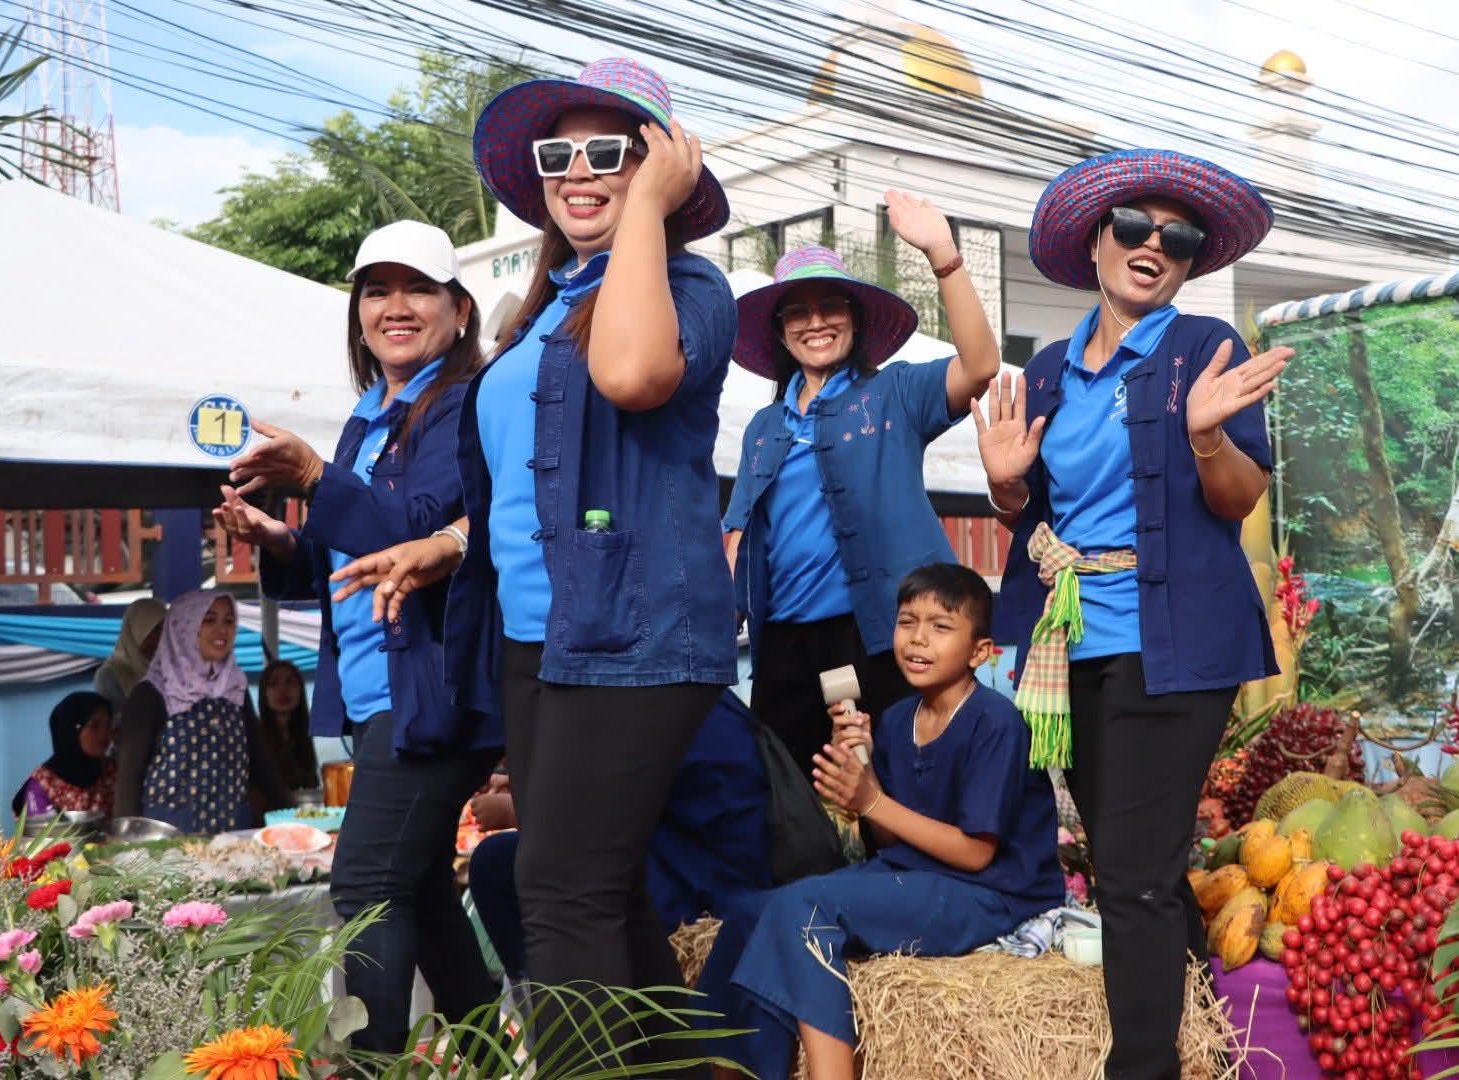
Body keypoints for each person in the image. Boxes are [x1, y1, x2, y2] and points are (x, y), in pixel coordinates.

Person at [329, 57, 736, 1071]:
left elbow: (633, 375)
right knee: (602, 893)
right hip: (533, 639)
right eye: (559, 154)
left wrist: (651, 209)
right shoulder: (544, 309)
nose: (579, 170)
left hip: (636, 631)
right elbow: (522, 483)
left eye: (611, 151)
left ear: (661, 165)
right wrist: (450, 543)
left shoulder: (690, 285)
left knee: (557, 891)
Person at [974, 149, 1290, 1079]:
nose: (1154, 244)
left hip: (1177, 642)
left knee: (1135, 874)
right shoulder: (1047, 374)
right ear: (1095, 242)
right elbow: (1032, 518)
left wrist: (1206, 435)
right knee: (1125, 859)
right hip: (1071, 644)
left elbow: (1237, 499)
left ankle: (1143, 1066)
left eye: (1178, 236)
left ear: (1190, 261)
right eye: (1134, 226)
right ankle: (1208, 1032)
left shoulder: (1203, 349)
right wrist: (1004, 488)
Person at [211, 219, 496, 1053]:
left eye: (418, 289)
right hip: (376, 693)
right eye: (377, 291)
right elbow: (350, 561)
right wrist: (280, 541)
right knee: (420, 887)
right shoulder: (367, 418)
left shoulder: (465, 405)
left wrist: (313, 478)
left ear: (459, 309)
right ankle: (487, 1060)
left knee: (366, 885)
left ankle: (375, 1070)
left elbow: (417, 531)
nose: (394, 307)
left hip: (436, 689)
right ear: (358, 315)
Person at [697, 564, 1063, 1080]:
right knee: (750, 910)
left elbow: (976, 853)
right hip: (914, 875)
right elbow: (890, 841)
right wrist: (864, 771)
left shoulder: (994, 722)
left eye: (941, 627)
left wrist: (872, 802)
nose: (918, 639)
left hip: (990, 894)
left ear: (980, 652)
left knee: (805, 909)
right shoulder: (895, 719)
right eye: (906, 622)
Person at [722, 220, 1000, 780]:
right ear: (780, 331)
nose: (816, 322)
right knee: (783, 792)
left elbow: (980, 366)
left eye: (831, 306)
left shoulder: (895, 393)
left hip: (879, 633)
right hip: (785, 643)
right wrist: (722, 612)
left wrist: (944, 256)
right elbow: (740, 532)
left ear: (855, 317)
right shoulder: (764, 427)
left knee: (894, 786)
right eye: (797, 312)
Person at [466, 689, 771, 995]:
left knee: (509, 867)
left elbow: (604, 814)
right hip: (679, 861)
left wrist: (519, 810)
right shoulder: (679, 693)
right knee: (498, 859)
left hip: (696, 894)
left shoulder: (654, 704)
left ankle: (550, 1002)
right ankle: (541, 997)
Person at [114, 591, 290, 833]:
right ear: (184, 626)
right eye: (209, 620)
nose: (222, 630)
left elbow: (263, 766)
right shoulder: (152, 693)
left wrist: (297, 819)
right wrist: (127, 843)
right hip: (167, 845)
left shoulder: (235, 689)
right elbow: (128, 780)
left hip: (232, 842)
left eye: (229, 621)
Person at [13, 691, 116, 818]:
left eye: (108, 724)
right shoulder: (43, 784)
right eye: (94, 726)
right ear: (71, 732)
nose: (105, 733)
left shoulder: (113, 771)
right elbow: (41, 828)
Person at [92, 597, 165, 720]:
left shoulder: (171, 667)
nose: (161, 637)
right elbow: (114, 725)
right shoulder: (110, 676)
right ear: (135, 630)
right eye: (155, 629)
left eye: (165, 628)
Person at [256, 659, 319, 792]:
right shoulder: (254, 738)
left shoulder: (304, 736)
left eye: (290, 682)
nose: (283, 690)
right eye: (273, 683)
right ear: (264, 693)